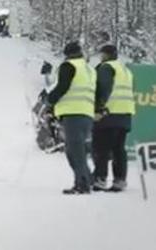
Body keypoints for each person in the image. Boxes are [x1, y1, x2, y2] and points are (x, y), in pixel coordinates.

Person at [47, 41, 96, 195]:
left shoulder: (69, 66)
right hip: (87, 113)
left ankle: (82, 183)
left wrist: (50, 100)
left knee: (75, 151)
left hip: (73, 113)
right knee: (76, 150)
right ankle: (86, 179)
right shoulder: (89, 69)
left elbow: (63, 87)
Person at [92, 45, 135, 192]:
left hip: (109, 114)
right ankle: (120, 180)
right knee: (119, 149)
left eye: (101, 54)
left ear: (106, 55)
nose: (100, 57)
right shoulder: (125, 70)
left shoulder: (106, 68)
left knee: (102, 148)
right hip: (125, 113)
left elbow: (104, 88)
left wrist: (98, 108)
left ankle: (100, 179)